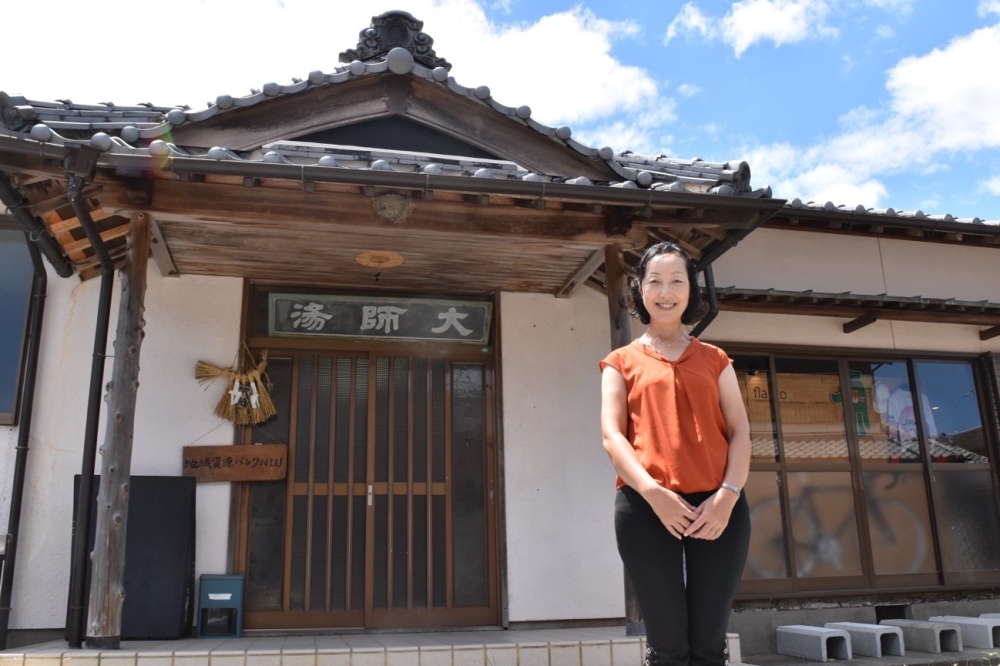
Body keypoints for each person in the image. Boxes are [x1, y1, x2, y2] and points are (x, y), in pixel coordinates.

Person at [599, 242, 752, 666]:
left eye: (676, 281)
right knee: (667, 646)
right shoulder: (619, 362)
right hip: (645, 506)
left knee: (709, 646)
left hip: (718, 506)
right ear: (639, 289)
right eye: (655, 281)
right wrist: (654, 494)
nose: (665, 292)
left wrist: (727, 496)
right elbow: (612, 436)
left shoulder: (716, 360)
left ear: (691, 290)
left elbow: (741, 432)